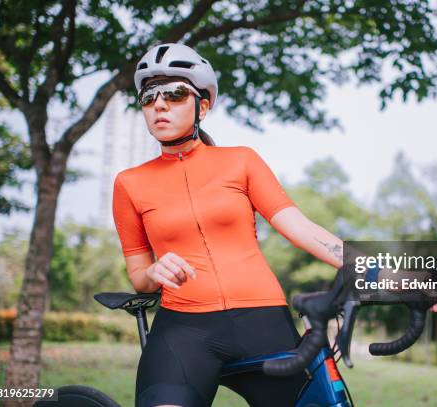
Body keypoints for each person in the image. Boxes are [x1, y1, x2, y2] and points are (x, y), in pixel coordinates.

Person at [112, 43, 349, 407]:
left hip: (263, 322)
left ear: (202, 106)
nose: (159, 104)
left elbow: (302, 229)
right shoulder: (129, 183)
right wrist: (155, 270)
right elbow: (139, 274)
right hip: (184, 330)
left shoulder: (241, 161)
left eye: (174, 94)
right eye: (149, 97)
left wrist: (394, 275)